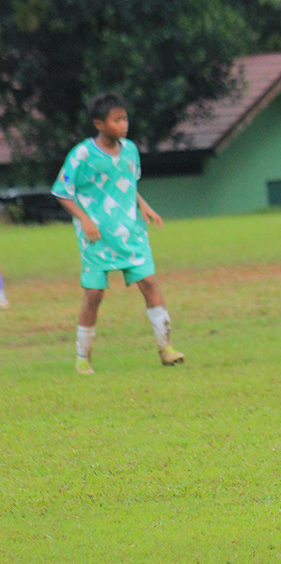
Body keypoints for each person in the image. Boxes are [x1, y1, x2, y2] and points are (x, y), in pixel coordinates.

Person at [51, 92, 184, 375]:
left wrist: (143, 206)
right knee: (94, 294)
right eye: (117, 120)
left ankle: (167, 348)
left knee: (149, 282)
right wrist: (85, 220)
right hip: (96, 236)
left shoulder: (131, 150)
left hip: (130, 231)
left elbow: (127, 183)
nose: (124, 124)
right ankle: (83, 358)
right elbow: (62, 193)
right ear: (99, 123)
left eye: (125, 118)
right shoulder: (82, 154)